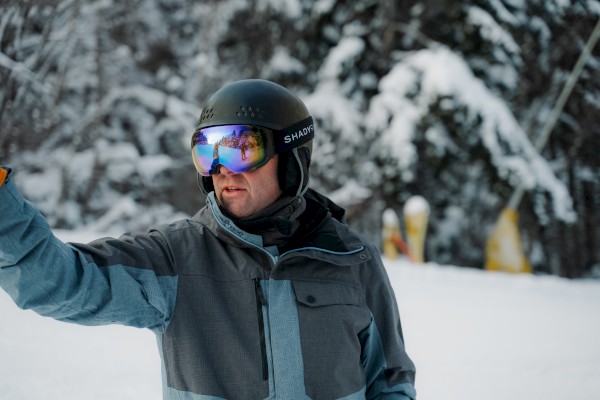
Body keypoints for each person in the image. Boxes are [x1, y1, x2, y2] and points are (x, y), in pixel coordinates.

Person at [0, 79, 416, 399]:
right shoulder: (176, 259)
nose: (222, 169)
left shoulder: (351, 260)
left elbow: (390, 380)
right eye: (208, 152)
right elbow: (58, 281)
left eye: (239, 150)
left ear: (291, 160)